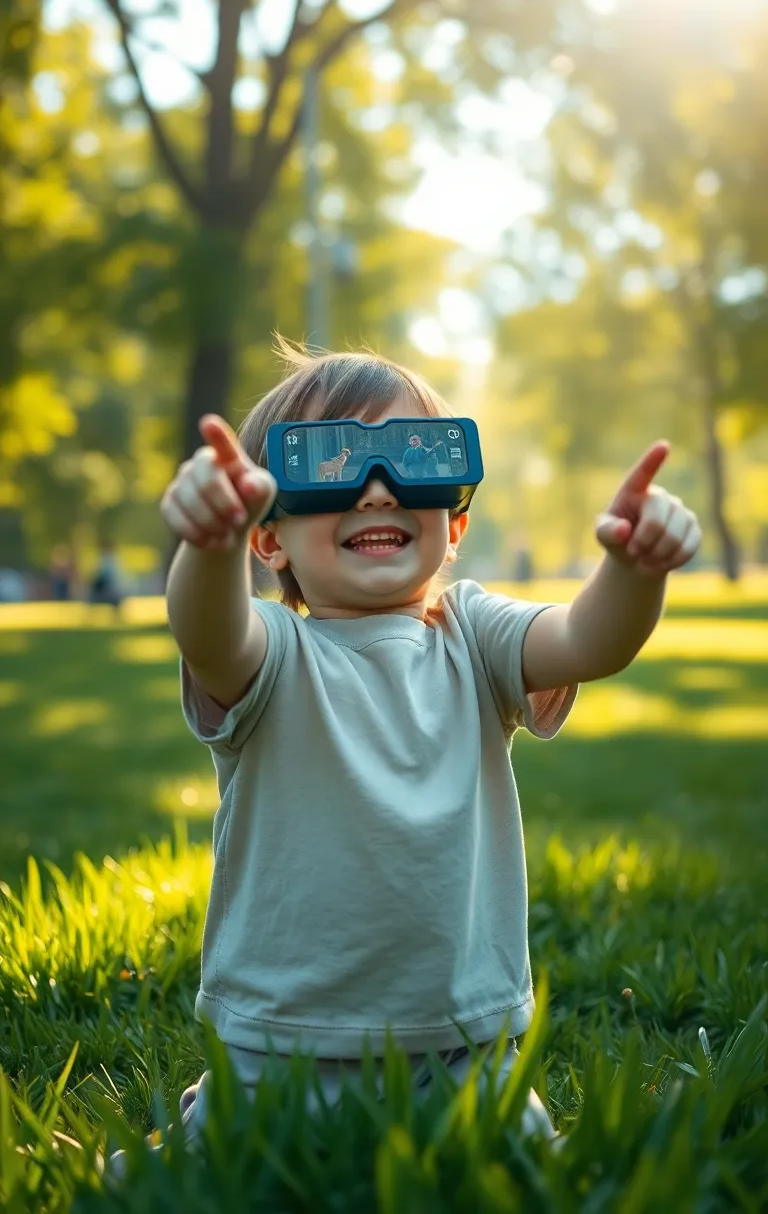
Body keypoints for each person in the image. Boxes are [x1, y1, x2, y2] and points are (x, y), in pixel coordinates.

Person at [109, 341, 701, 1176]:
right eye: (332, 463)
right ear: (268, 541)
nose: (376, 486)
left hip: (467, 1047)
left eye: (414, 462)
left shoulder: (474, 634)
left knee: (532, 1178)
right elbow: (205, 629)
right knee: (200, 1182)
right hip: (283, 1045)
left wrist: (634, 573)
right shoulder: (272, 650)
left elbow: (586, 639)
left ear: (454, 525)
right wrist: (207, 548)